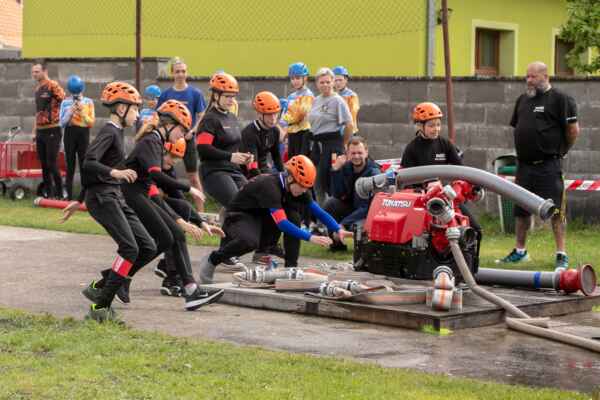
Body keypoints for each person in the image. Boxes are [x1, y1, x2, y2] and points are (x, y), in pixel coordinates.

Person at [61, 81, 156, 323]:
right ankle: (100, 307)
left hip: (114, 195)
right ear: (121, 108)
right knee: (130, 248)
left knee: (147, 246)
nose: (137, 115)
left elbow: (94, 169)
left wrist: (78, 200)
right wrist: (115, 173)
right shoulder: (109, 131)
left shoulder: (118, 132)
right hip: (103, 198)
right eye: (135, 109)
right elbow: (89, 162)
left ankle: (100, 286)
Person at [197, 155, 353, 284]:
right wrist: (310, 237)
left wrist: (337, 228)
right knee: (249, 242)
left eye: (307, 187)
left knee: (294, 216)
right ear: (290, 178)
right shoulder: (270, 186)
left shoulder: (299, 188)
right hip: (239, 215)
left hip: (262, 215)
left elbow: (318, 211)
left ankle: (290, 268)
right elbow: (282, 224)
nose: (304, 191)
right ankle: (213, 259)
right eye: (301, 186)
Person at [497, 61, 579, 270]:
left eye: (533, 76)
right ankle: (520, 252)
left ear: (545, 76)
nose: (529, 81)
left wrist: (561, 151)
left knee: (556, 210)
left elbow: (573, 131)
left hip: (548, 165)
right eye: (527, 76)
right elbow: (518, 127)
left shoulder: (560, 99)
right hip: (524, 166)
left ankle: (561, 254)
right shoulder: (523, 100)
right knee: (521, 211)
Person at [401, 102, 482, 258]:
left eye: (438, 125)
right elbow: (406, 181)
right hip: (423, 201)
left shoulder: (444, 144)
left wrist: (473, 184)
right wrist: (425, 186)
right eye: (431, 125)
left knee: (475, 230)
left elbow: (460, 169)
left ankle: (470, 264)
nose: (436, 129)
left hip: (444, 197)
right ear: (420, 126)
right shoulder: (412, 149)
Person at [196, 72, 250, 269]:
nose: (231, 100)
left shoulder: (232, 117)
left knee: (250, 199)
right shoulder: (210, 119)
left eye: (233, 96)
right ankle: (226, 255)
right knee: (236, 203)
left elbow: (233, 146)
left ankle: (227, 251)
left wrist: (244, 157)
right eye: (227, 96)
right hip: (214, 171)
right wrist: (230, 157)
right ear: (216, 95)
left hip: (232, 169)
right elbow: (203, 148)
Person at [157, 58, 206, 212]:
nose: (180, 74)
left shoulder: (195, 93)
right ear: (172, 73)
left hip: (188, 141)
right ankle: (168, 209)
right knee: (164, 175)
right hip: (169, 142)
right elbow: (158, 117)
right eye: (177, 71)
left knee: (193, 177)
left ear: (187, 73)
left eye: (183, 71)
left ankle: (201, 213)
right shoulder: (166, 94)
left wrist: (192, 131)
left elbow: (202, 116)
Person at [326, 136, 380, 251]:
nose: (356, 156)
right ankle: (337, 244)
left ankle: (364, 251)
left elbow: (368, 207)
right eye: (353, 153)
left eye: (359, 153)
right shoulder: (346, 167)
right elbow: (337, 194)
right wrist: (336, 170)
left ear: (366, 152)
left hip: (367, 213)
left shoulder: (374, 173)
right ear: (347, 154)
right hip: (352, 207)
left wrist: (343, 224)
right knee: (330, 204)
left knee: (355, 226)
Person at [308, 67, 354, 203]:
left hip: (332, 146)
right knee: (316, 183)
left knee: (331, 183)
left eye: (328, 82)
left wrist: (343, 144)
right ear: (317, 84)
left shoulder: (338, 101)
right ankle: (320, 213)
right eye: (322, 82)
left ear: (333, 82)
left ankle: (332, 213)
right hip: (317, 145)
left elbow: (349, 125)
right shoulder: (316, 100)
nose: (325, 85)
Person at [32, 59, 66, 199]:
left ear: (45, 71)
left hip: (53, 130)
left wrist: (63, 120)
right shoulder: (37, 89)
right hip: (40, 131)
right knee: (44, 165)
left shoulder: (53, 85)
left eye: (37, 71)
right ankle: (49, 195)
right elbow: (37, 112)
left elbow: (65, 102)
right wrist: (34, 132)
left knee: (52, 163)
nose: (34, 74)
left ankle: (61, 195)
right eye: (33, 72)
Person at [59, 75, 95, 200]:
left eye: (78, 92)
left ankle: (84, 197)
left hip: (83, 133)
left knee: (84, 164)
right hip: (70, 133)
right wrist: (70, 112)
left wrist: (82, 112)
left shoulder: (88, 102)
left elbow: (91, 123)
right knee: (70, 165)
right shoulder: (65, 102)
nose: (76, 95)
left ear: (82, 89)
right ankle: (68, 196)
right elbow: (61, 123)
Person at [241, 91, 284, 177]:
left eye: (276, 113)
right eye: (269, 114)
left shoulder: (275, 130)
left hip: (264, 169)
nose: (273, 118)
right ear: (259, 114)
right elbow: (252, 167)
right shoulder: (249, 133)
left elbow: (276, 157)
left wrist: (284, 175)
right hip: (248, 173)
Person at [280, 62, 314, 158]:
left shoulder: (308, 95)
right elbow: (285, 114)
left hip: (304, 133)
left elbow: (299, 114)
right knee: (291, 160)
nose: (295, 81)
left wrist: (285, 116)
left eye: (298, 78)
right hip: (292, 134)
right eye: (292, 78)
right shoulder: (291, 96)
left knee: (302, 160)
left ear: (305, 78)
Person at [332, 65, 360, 134]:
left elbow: (352, 113)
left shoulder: (352, 96)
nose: (338, 83)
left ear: (346, 80)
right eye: (335, 80)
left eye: (340, 80)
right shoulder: (331, 95)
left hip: (349, 131)